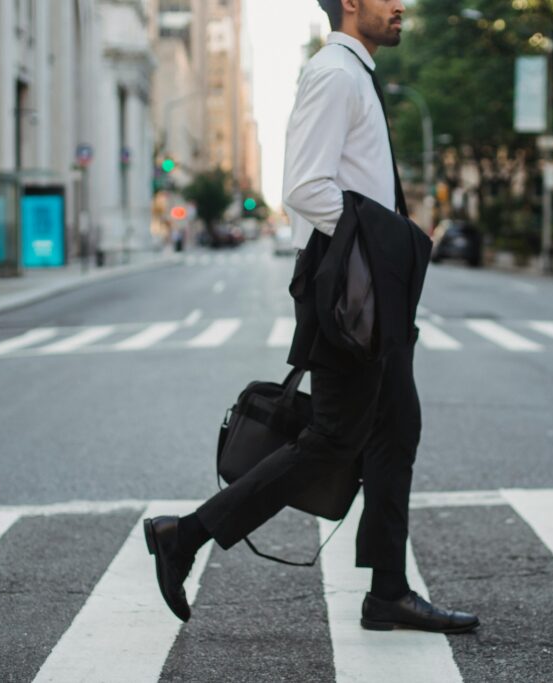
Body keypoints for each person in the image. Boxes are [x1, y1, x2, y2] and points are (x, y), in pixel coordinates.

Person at [143, 0, 479, 634]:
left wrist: (387, 250)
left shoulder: (356, 74)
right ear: (351, 4)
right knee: (330, 441)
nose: (401, 6)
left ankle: (387, 592)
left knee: (394, 430)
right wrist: (388, 243)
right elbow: (303, 188)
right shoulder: (334, 73)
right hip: (350, 293)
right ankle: (183, 537)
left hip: (369, 291)